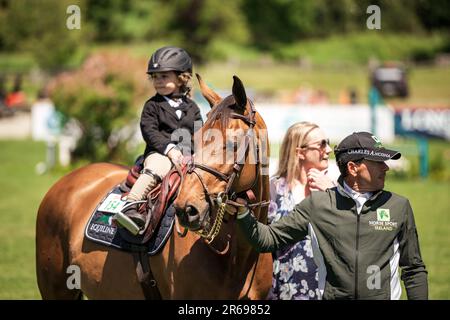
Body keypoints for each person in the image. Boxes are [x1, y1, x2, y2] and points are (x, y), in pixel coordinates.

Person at [230, 131, 428, 300]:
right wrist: (243, 212)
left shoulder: (399, 206)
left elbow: (413, 268)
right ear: (352, 168)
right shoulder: (318, 205)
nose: (386, 167)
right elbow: (268, 239)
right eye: (377, 162)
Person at [121, 46, 203, 231]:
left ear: (182, 77)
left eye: (164, 76)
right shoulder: (152, 106)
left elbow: (199, 133)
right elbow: (149, 132)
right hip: (160, 154)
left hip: (189, 156)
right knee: (158, 166)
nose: (158, 81)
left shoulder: (193, 107)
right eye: (155, 77)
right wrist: (170, 150)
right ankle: (131, 206)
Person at [267, 122, 335, 300]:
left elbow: (351, 233)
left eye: (327, 143)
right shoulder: (273, 189)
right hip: (280, 289)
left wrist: (331, 194)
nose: (328, 150)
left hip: (325, 291)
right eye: (321, 144)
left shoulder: (334, 189)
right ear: (300, 152)